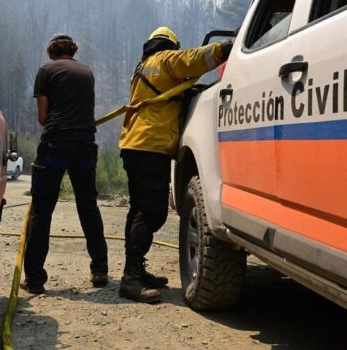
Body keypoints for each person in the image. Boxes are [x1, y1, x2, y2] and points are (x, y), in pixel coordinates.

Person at [118, 27, 232, 303]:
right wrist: (226, 48)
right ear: (169, 45)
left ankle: (135, 271)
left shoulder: (142, 68)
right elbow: (193, 60)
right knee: (152, 213)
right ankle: (130, 279)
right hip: (151, 147)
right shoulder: (165, 60)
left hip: (134, 145)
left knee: (137, 211)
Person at [21, 34, 108, 294]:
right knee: (88, 206)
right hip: (85, 143)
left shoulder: (46, 71)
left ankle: (35, 280)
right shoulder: (87, 72)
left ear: (51, 52)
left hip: (56, 143)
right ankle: (100, 269)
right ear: (73, 51)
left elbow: (43, 117)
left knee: (42, 210)